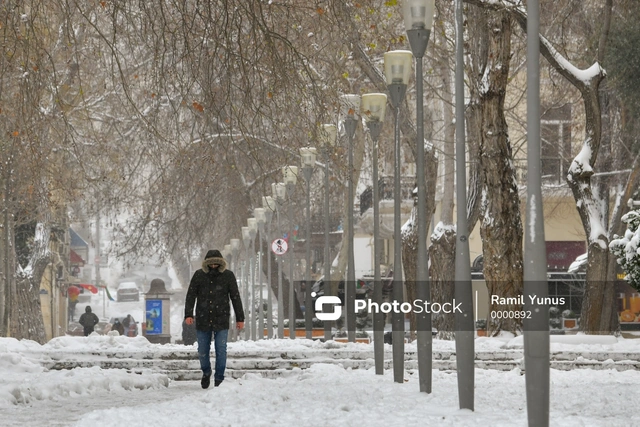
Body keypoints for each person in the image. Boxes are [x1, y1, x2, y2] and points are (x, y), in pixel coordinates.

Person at [185, 249, 244, 389]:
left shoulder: (228, 276)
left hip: (221, 319)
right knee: (202, 350)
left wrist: (240, 318)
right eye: (210, 264)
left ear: (220, 263)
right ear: (206, 264)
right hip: (203, 318)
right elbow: (191, 295)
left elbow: (235, 297)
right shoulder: (199, 276)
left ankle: (219, 378)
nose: (213, 266)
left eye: (216, 264)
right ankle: (206, 372)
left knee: (221, 349)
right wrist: (188, 314)